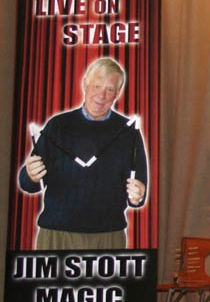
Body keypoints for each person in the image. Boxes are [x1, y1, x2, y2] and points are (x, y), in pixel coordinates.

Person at [18, 57, 148, 250]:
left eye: (109, 89)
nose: (101, 95)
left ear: (118, 94)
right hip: (56, 234)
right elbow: (28, 184)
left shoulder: (129, 132)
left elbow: (139, 188)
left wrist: (138, 196)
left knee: (110, 283)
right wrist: (30, 175)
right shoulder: (58, 125)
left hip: (109, 236)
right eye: (96, 86)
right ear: (85, 84)